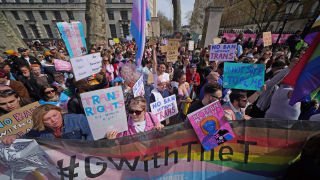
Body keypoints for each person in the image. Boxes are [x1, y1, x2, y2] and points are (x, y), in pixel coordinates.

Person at [2, 104, 94, 145]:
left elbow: (92, 136)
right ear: (41, 122)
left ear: (60, 112)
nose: (54, 120)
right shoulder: (38, 130)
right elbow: (25, 138)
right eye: (47, 119)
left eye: (55, 115)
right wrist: (15, 136)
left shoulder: (78, 119)